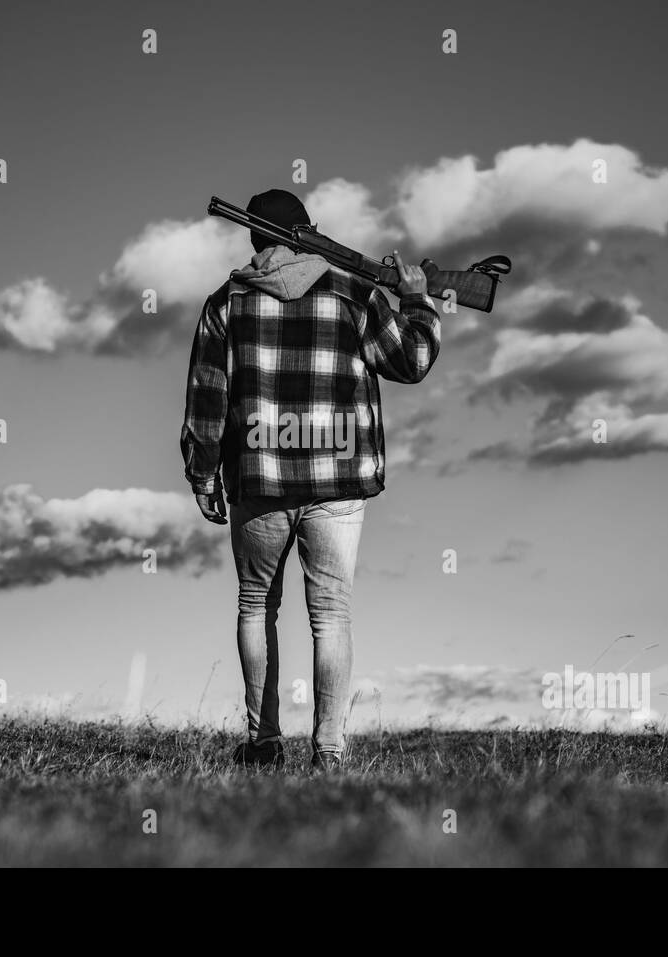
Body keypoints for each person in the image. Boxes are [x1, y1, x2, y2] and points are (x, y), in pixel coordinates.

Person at [180, 188, 440, 771]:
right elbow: (414, 360)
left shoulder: (226, 304)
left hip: (259, 481)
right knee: (332, 616)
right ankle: (329, 750)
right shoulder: (355, 294)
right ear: (311, 232)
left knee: (254, 607)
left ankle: (265, 742)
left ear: (254, 241)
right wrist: (419, 301)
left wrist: (202, 474)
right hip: (338, 481)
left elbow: (207, 399)